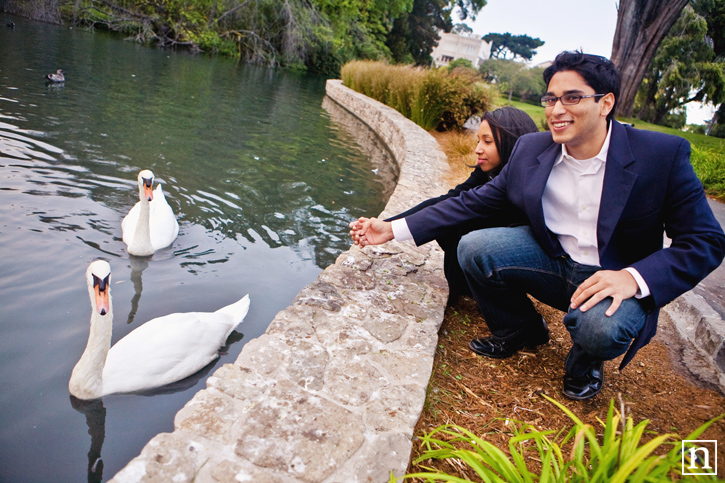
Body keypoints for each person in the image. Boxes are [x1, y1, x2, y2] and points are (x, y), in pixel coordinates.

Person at [349, 51, 725, 401]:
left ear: (605, 103)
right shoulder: (532, 148)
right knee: (474, 247)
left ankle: (585, 362)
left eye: (572, 98)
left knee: (599, 329)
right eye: (551, 99)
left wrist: (632, 277)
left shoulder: (661, 155)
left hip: (612, 281)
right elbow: (471, 203)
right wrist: (393, 228)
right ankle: (521, 329)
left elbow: (706, 241)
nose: (557, 110)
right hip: (552, 262)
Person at [384, 107, 538, 301]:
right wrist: (388, 225)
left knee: (460, 224)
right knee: (450, 221)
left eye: (487, 141)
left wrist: (389, 229)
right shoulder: (489, 169)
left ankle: (507, 303)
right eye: (478, 141)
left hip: (525, 256)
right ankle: (464, 288)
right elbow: (452, 199)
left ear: (512, 143)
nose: (478, 149)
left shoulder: (524, 185)